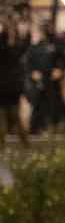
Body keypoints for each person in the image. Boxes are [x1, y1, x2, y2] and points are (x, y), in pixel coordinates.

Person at [26, 25, 65, 134]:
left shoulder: (56, 45)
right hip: (40, 79)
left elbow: (62, 60)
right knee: (38, 103)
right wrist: (32, 73)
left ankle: (62, 123)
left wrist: (60, 70)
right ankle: (35, 127)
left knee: (57, 101)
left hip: (53, 79)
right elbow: (29, 62)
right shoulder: (35, 47)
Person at [0, 18, 29, 146]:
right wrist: (24, 33)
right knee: (16, 113)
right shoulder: (14, 51)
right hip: (13, 87)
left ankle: (1, 141)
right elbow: (24, 46)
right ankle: (23, 140)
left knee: (1, 115)